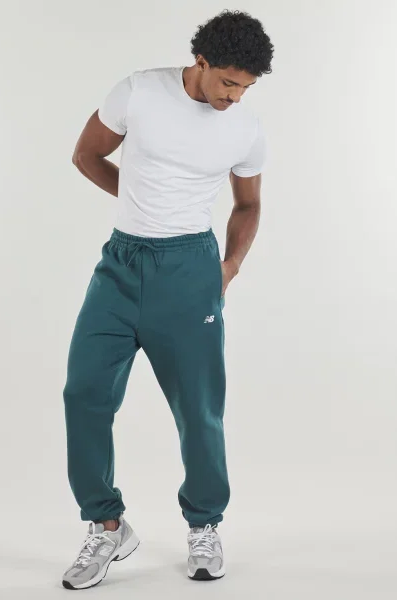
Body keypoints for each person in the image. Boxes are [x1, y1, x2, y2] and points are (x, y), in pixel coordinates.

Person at [61, 9, 274, 589]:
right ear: (201, 62)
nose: (234, 96)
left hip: (190, 270)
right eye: (228, 82)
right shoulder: (139, 91)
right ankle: (107, 525)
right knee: (83, 393)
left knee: (198, 409)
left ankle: (204, 524)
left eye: (246, 87)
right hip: (120, 265)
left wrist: (228, 268)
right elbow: (85, 155)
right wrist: (137, 200)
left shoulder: (245, 128)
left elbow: (249, 205)